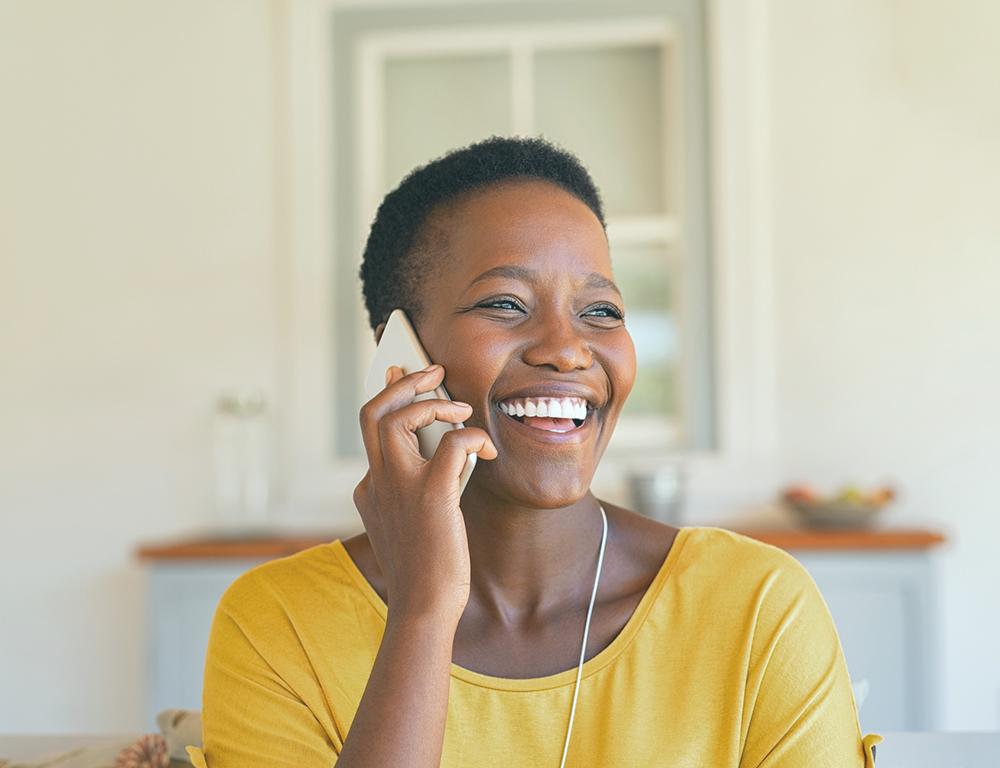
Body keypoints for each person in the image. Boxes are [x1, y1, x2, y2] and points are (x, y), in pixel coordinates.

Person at [188, 136, 881, 767]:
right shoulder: (276, 624)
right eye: (505, 304)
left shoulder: (755, 605)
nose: (567, 349)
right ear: (399, 352)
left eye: (601, 311)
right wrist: (424, 613)